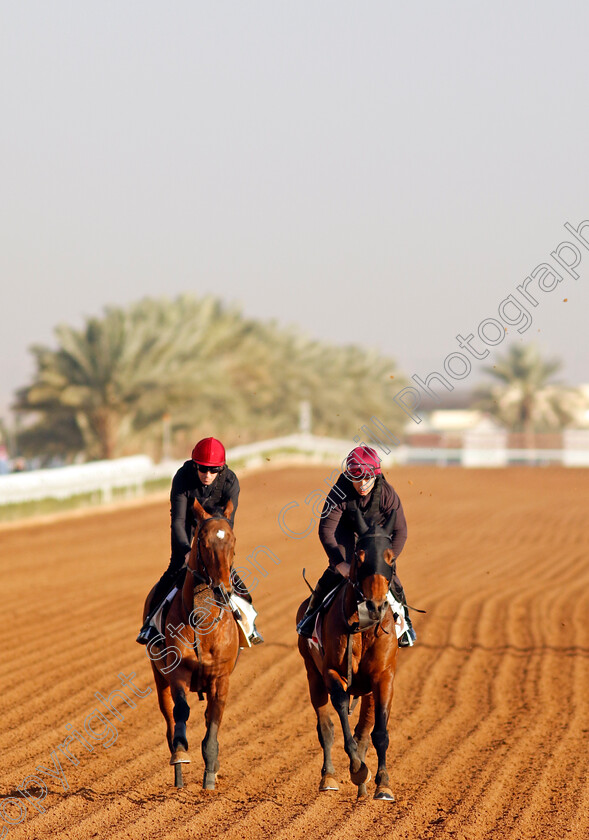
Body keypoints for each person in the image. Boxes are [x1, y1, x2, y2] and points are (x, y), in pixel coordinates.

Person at [137, 436, 263, 645]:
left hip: (216, 529)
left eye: (214, 470)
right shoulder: (182, 478)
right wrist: (187, 551)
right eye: (203, 469)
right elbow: (177, 520)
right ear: (195, 465)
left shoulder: (230, 481)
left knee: (226, 571)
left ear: (221, 469)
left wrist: (219, 553)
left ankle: (249, 624)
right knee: (177, 567)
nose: (207, 475)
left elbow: (227, 525)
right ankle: (150, 625)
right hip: (187, 526)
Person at [296, 445, 416, 646]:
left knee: (392, 579)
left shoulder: (387, 493)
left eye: (367, 478)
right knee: (334, 573)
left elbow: (401, 531)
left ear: (375, 476)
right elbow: (326, 531)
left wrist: (387, 560)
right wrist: (339, 564)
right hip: (345, 533)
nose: (362, 484)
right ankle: (310, 617)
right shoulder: (339, 492)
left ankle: (407, 626)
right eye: (356, 478)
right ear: (349, 474)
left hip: (376, 538)